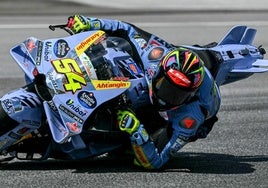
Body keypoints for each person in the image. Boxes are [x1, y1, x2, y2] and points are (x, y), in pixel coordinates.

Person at [67, 15, 221, 169]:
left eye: (178, 94)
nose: (168, 97)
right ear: (160, 71)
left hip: (198, 110)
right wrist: (91, 23)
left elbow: (156, 162)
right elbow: (126, 28)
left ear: (190, 94)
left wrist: (136, 130)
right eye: (166, 86)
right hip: (180, 56)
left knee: (128, 150)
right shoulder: (155, 54)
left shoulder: (191, 116)